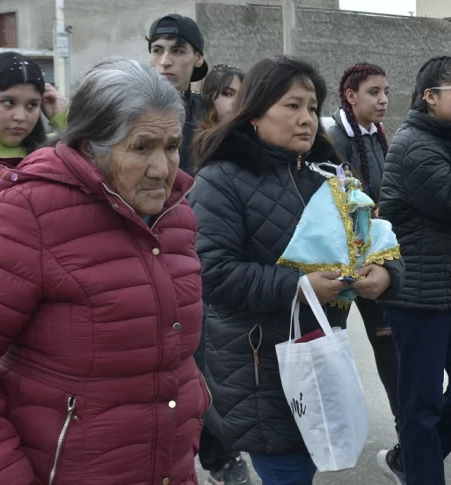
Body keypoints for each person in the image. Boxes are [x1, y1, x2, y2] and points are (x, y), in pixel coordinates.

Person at [0, 57, 209, 484]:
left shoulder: (175, 213)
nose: (162, 168)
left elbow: (171, 356)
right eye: (142, 147)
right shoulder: (29, 212)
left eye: (172, 146)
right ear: (90, 146)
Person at [190, 55, 404, 485]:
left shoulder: (328, 176)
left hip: (321, 356)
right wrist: (300, 285)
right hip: (258, 367)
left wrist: (386, 274)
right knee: (287, 471)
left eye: (311, 106)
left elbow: (374, 239)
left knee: (303, 468)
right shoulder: (220, 180)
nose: (307, 118)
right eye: (292, 106)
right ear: (254, 113)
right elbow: (212, 274)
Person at [377, 56, 451, 485]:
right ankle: (420, 469)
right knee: (420, 405)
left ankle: (408, 459)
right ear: (430, 97)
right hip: (418, 291)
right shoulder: (414, 146)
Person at [326, 62, 401, 462]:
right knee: (331, 343)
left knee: (387, 342)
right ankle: (329, 427)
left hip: (373, 256)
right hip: (338, 260)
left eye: (386, 91)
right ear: (351, 96)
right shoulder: (334, 136)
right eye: (374, 92)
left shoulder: (378, 136)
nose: (384, 99)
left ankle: (405, 422)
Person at [194, 62, 252, 485]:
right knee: (203, 370)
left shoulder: (251, 141)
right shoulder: (199, 143)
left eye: (244, 93)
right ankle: (217, 456)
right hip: (197, 268)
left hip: (235, 271)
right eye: (229, 93)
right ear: (212, 97)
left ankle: (222, 453)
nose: (238, 101)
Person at [0, 52, 66, 201]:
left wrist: (62, 118)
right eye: (8, 102)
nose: (20, 117)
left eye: (32, 105)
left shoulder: (53, 150)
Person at [148, 13, 208, 176]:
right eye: (157, 50)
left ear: (198, 58)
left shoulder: (207, 114)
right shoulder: (126, 110)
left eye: (178, 51)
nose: (165, 61)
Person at [199, 64, 245, 130]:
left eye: (243, 95)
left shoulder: (257, 135)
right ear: (210, 97)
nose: (237, 101)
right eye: (229, 94)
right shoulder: (193, 136)